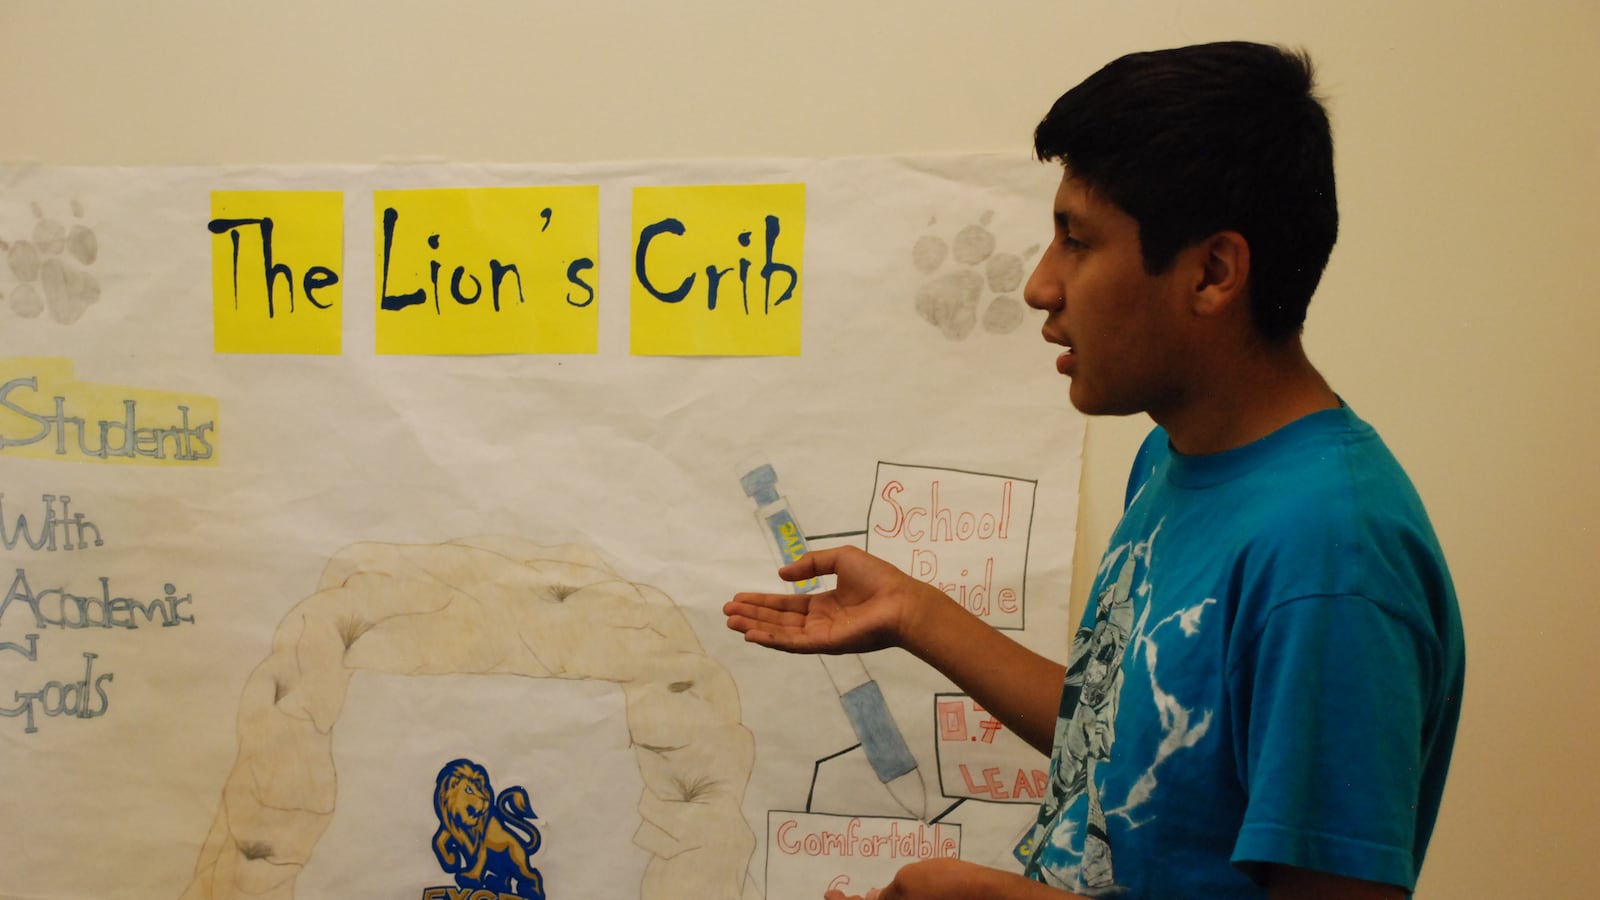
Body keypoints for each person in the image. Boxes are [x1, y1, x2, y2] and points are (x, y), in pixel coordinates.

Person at [723, 41, 1465, 900]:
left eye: (1078, 241)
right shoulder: (1172, 459)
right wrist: (914, 613)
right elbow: (1124, 742)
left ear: (1214, 272)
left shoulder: (1332, 560)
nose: (1041, 286)